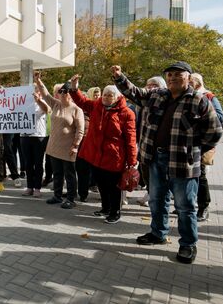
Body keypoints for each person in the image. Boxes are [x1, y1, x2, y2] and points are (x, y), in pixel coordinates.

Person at [112, 61, 222, 264]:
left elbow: (214, 131)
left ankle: (188, 244)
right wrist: (119, 77)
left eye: (177, 74)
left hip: (182, 162)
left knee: (184, 205)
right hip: (155, 159)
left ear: (188, 77)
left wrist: (194, 151)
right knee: (156, 199)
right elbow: (134, 92)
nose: (172, 77)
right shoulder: (157, 95)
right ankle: (158, 234)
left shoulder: (199, 100)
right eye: (169, 74)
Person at [69, 77, 138, 223]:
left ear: (118, 97)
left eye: (110, 95)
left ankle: (115, 212)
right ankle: (105, 208)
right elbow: (81, 101)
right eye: (104, 94)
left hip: (114, 157)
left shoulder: (126, 113)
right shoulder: (97, 106)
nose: (106, 97)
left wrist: (132, 161)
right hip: (96, 155)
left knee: (114, 187)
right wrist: (74, 88)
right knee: (101, 183)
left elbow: (131, 139)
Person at [36, 77, 84, 209]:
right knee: (57, 173)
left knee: (69, 174)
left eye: (65, 91)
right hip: (54, 147)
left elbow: (80, 130)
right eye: (61, 91)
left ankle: (70, 198)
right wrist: (39, 81)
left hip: (68, 148)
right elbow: (45, 94)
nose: (62, 94)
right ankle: (57, 195)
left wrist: (75, 146)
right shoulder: (56, 104)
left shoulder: (76, 110)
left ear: (70, 94)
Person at [189, 73, 223, 221]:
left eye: (191, 81)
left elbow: (220, 116)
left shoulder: (209, 96)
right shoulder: (185, 95)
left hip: (201, 143)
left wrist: (201, 118)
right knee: (186, 177)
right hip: (185, 144)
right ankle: (187, 206)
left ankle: (204, 207)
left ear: (198, 82)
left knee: (200, 175)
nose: (189, 84)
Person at [135, 76, 167, 207]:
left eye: (154, 85)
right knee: (147, 175)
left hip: (160, 150)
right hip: (144, 147)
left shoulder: (166, 102)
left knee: (159, 182)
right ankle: (150, 195)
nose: (150, 87)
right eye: (148, 85)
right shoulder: (141, 103)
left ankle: (156, 200)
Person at [20, 73, 51, 198]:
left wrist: (38, 100)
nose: (33, 93)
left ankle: (37, 187)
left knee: (38, 163)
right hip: (24, 136)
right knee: (28, 163)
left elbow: (46, 110)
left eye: (35, 90)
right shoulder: (21, 103)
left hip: (39, 136)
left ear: (39, 92)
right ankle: (29, 187)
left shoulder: (43, 101)